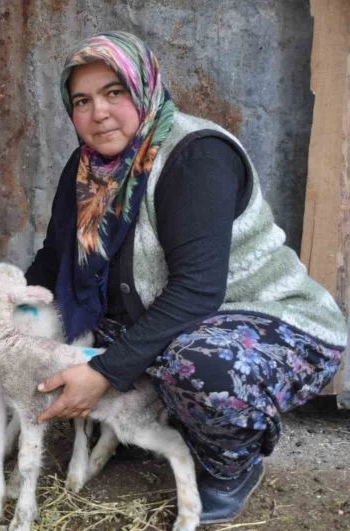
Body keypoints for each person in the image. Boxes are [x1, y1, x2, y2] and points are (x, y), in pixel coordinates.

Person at [24, 31, 347, 524]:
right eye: (82, 101)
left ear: (144, 88)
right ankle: (153, 414)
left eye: (114, 92)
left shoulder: (196, 157)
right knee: (61, 336)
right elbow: (54, 258)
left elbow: (197, 290)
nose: (99, 113)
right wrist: (15, 316)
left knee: (199, 367)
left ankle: (230, 465)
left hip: (267, 319)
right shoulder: (88, 168)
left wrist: (105, 372)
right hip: (170, 317)